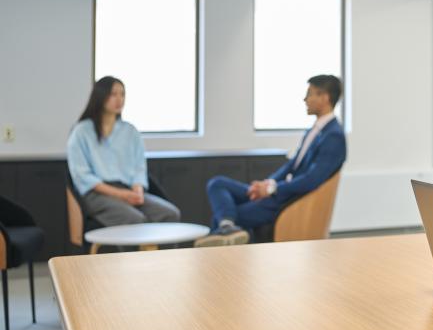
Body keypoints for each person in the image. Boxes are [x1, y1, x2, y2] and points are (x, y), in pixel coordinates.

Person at [196, 75, 346, 247]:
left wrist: (272, 189)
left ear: (324, 98)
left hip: (287, 201)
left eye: (310, 94)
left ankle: (226, 228)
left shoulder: (333, 136)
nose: (305, 99)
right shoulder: (315, 130)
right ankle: (228, 227)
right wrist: (267, 183)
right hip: (277, 192)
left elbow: (311, 179)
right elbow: (292, 165)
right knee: (217, 184)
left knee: (223, 215)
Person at [67, 76, 180, 226]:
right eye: (113, 94)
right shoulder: (81, 131)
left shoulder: (130, 131)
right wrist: (120, 194)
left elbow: (139, 168)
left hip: (128, 190)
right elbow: (82, 175)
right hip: (97, 194)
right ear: (100, 96)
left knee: (170, 214)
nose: (119, 99)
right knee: (134, 219)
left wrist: (137, 191)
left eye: (122, 94)